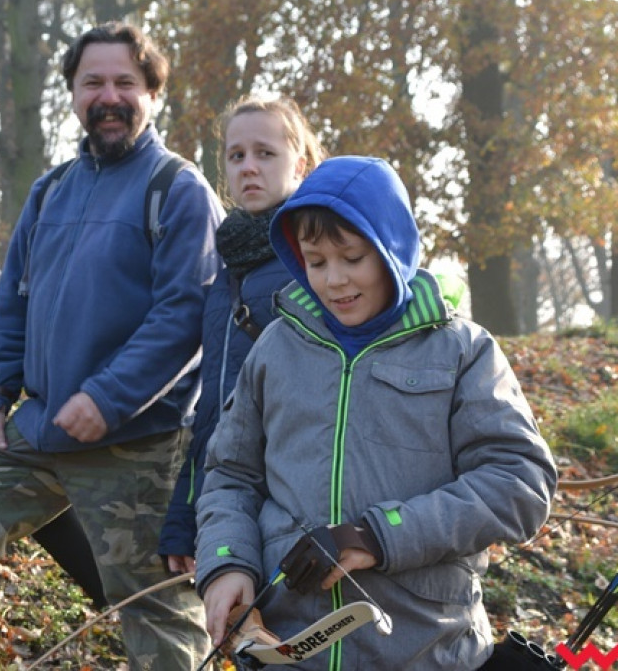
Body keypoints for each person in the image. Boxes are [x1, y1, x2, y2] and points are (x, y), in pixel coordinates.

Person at [0, 21, 222, 671]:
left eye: (126, 81)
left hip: (143, 442)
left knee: (155, 601)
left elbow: (185, 316)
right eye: (92, 81)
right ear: (72, 93)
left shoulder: (177, 190)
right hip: (39, 431)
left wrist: (107, 397)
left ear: (152, 93)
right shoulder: (49, 193)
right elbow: (12, 304)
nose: (109, 95)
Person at [194, 155, 557, 670]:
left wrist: (377, 535)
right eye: (316, 262)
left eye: (353, 258)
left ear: (393, 249)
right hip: (290, 648)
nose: (334, 280)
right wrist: (228, 564)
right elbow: (231, 475)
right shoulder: (276, 347)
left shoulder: (462, 351)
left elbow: (520, 482)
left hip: (427, 650)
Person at [159, 95, 326, 575]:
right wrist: (185, 513)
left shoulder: (323, 266)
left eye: (265, 153)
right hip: (235, 498)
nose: (248, 167)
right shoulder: (222, 283)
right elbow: (214, 409)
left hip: (305, 501)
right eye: (236, 155)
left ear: (303, 162)